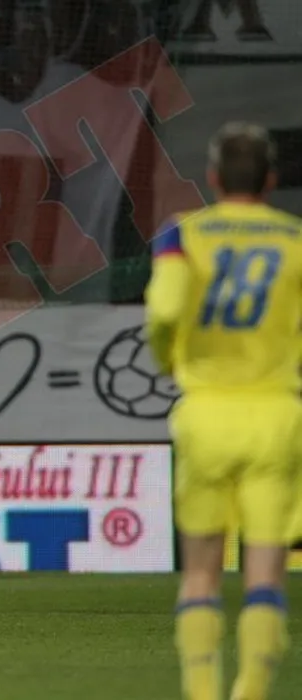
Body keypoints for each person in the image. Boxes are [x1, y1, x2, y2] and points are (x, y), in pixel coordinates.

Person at [146, 122, 300, 700]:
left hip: (207, 412)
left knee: (201, 571)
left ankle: (204, 692)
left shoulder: (180, 235)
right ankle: (251, 691)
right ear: (271, 179)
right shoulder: (296, 239)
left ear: (212, 178)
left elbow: (164, 312)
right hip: (275, 413)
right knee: (266, 572)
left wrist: (169, 360)